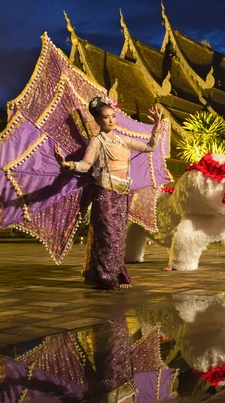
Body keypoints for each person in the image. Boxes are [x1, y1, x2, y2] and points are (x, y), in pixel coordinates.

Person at [54, 96, 164, 289]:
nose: (112, 120)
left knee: (119, 235)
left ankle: (109, 273)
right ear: (98, 120)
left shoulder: (123, 141)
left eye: (113, 116)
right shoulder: (97, 141)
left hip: (122, 193)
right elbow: (85, 165)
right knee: (107, 234)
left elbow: (151, 147)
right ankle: (108, 277)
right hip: (104, 192)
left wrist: (156, 125)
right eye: (106, 117)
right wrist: (67, 164)